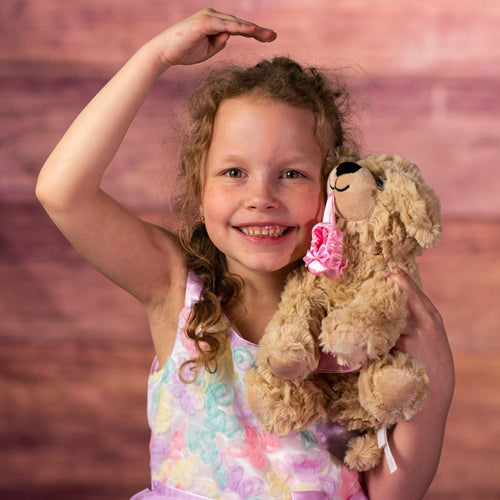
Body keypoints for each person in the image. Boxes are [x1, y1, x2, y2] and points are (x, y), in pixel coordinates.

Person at [36, 8, 454, 500]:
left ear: (332, 189)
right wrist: (154, 58)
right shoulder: (175, 288)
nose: (261, 197)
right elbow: (62, 192)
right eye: (234, 172)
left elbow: (388, 494)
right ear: (199, 187)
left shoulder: (353, 323)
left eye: (293, 174)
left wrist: (437, 382)